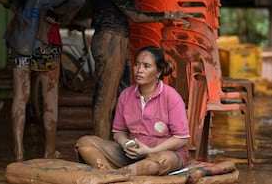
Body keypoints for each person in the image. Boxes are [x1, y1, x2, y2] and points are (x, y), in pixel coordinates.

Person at [0, 0, 85, 162]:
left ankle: (18, 153)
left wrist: (7, 5)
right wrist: (57, 16)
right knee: (50, 97)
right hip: (45, 41)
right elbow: (78, 0)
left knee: (20, 95)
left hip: (20, 40)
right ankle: (49, 151)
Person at [89, 0, 192, 140]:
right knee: (106, 99)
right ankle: (101, 149)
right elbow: (134, 16)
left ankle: (113, 145)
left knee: (120, 95)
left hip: (113, 38)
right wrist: (166, 15)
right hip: (112, 39)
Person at [75, 46, 190, 176]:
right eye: (136, 64)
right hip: (132, 154)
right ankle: (112, 172)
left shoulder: (171, 96)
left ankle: (114, 175)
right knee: (84, 143)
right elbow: (119, 131)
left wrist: (151, 150)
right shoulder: (126, 95)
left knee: (160, 162)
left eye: (146, 66)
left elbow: (181, 138)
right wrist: (126, 143)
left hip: (162, 153)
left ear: (158, 72)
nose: (139, 70)